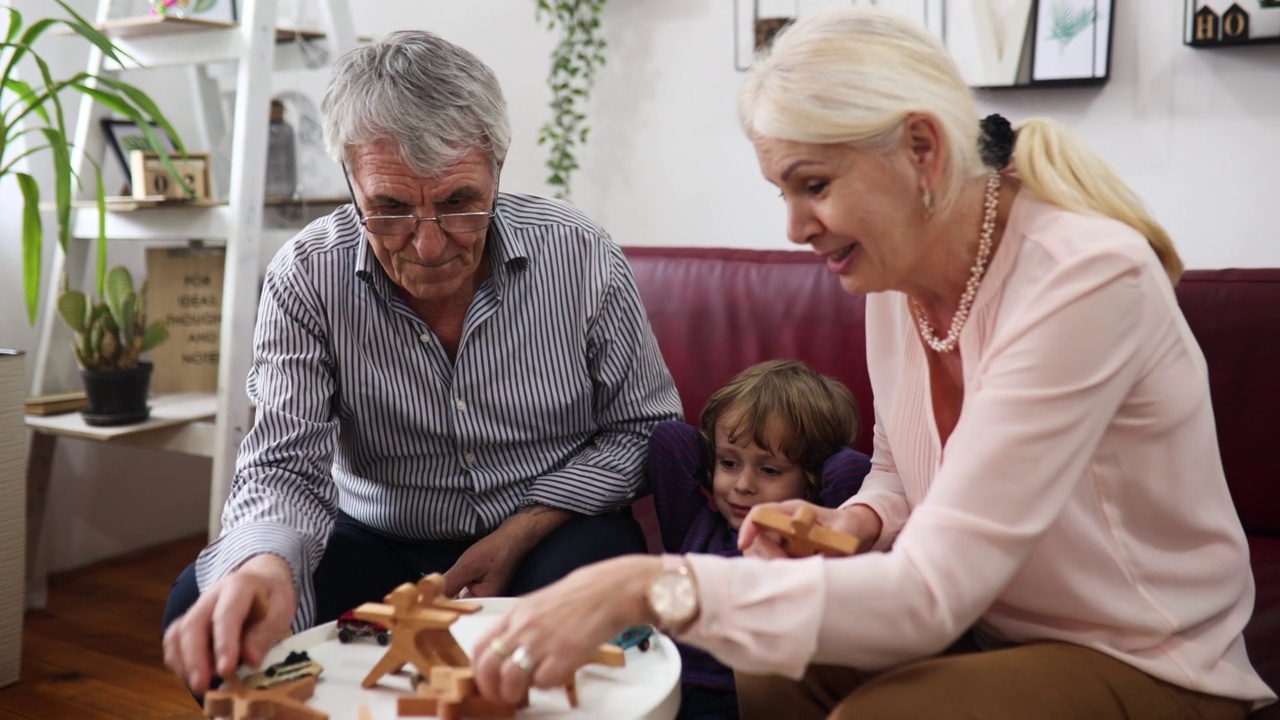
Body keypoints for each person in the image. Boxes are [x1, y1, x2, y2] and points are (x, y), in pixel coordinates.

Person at [467, 7, 1276, 719]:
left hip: (1143, 657)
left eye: (811, 185)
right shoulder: (896, 272)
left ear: (922, 149)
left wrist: (648, 585)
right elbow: (898, 466)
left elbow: (931, 594)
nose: (793, 227)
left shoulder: (1084, 277)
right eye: (781, 192)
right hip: (988, 627)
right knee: (775, 661)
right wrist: (854, 520)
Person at [160, 29, 681, 695]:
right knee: (208, 611)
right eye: (391, 210)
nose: (430, 247)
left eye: (461, 203)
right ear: (351, 179)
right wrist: (264, 563)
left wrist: (520, 532)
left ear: (498, 164)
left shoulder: (580, 256)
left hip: (549, 529)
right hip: (377, 537)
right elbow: (284, 464)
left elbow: (645, 431)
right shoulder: (305, 276)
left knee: (589, 625)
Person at [648, 360, 871, 718]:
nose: (743, 485)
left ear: (812, 478)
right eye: (729, 464)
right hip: (664, 687)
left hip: (746, 700)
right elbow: (669, 441)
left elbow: (851, 470)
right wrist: (718, 453)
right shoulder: (696, 529)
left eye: (769, 470)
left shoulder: (812, 546)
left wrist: (814, 475)